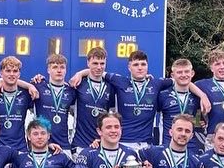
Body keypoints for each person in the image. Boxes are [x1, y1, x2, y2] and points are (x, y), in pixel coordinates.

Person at [68, 50, 209, 151]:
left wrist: (202, 95)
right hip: (123, 143)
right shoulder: (119, 81)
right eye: (136, 65)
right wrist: (80, 73)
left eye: (143, 64)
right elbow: (96, 71)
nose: (140, 67)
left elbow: (183, 80)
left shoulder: (157, 83)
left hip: (147, 144)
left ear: (147, 66)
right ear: (129, 67)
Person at [0, 56, 34, 152]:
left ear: (19, 74)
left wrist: (31, 85)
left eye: (15, 71)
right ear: (1, 73)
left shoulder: (26, 94)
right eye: (8, 71)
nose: (11, 74)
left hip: (20, 149)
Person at [70, 47, 116, 153]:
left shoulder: (110, 87)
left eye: (102, 63)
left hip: (101, 145)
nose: (99, 67)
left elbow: (112, 116)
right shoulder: (78, 83)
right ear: (88, 63)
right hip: (80, 144)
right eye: (95, 63)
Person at [31, 54, 77, 150]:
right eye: (55, 67)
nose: (59, 70)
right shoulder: (38, 86)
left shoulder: (71, 91)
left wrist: (80, 74)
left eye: (62, 67)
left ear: (66, 70)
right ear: (48, 70)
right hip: (42, 144)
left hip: (64, 145)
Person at [157, 59, 204, 153]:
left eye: (186, 71)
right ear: (172, 75)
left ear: (192, 73)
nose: (183, 75)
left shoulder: (197, 96)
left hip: (190, 146)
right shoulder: (162, 95)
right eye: (179, 72)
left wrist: (203, 121)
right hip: (168, 145)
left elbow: (203, 118)